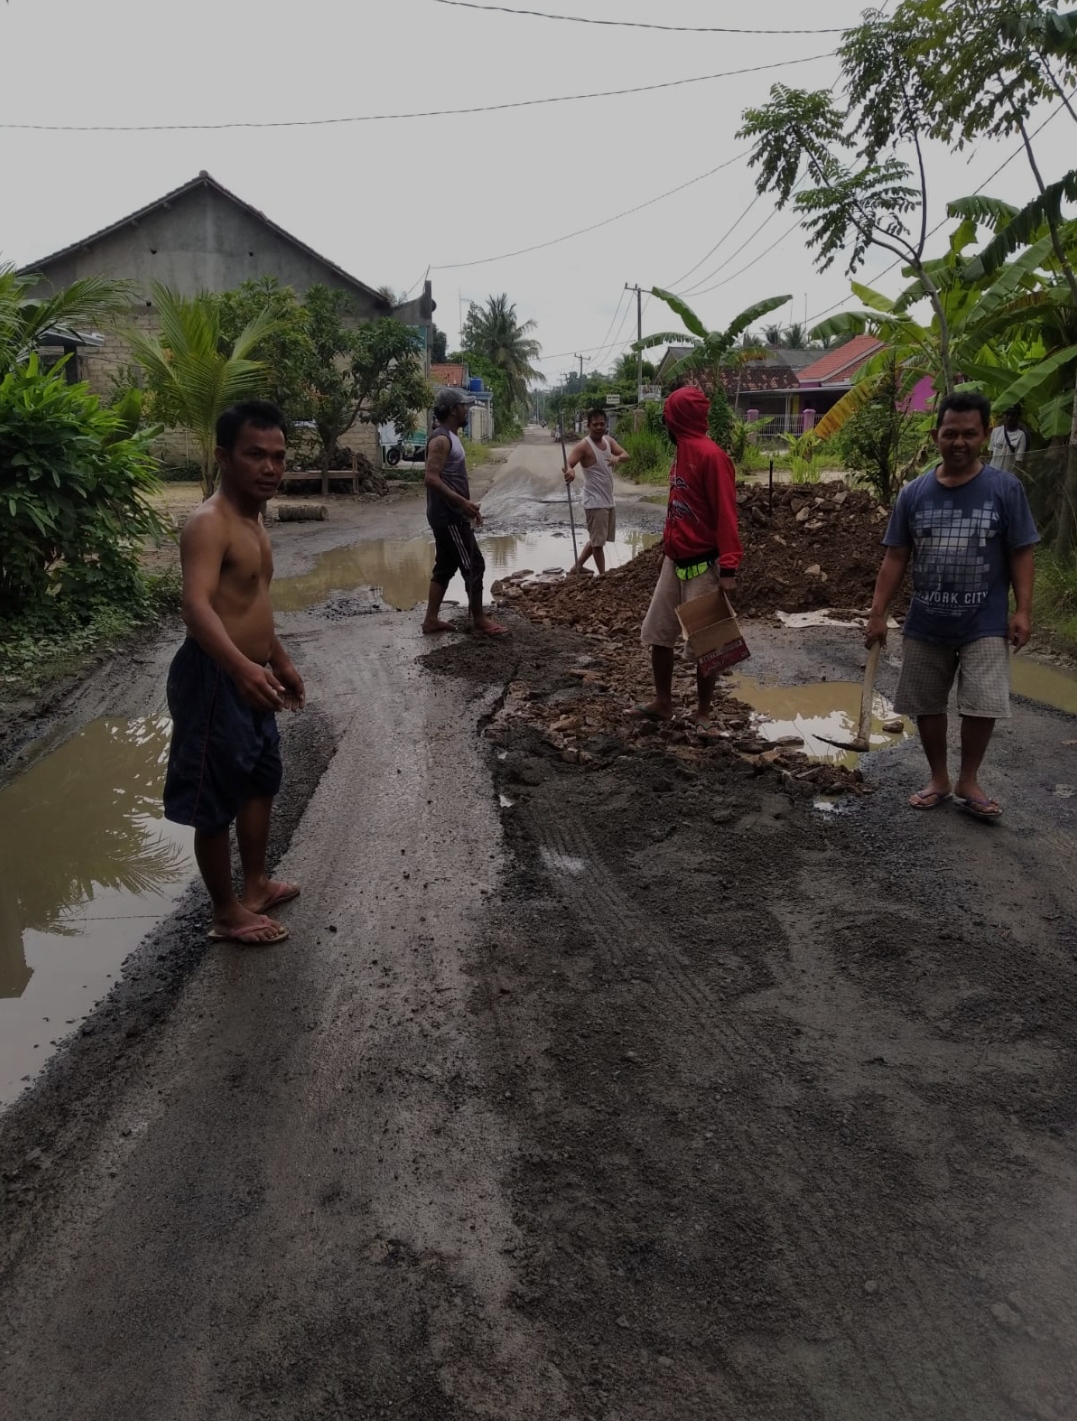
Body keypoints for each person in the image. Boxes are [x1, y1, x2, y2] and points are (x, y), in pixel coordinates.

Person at [163, 401, 305, 946]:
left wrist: (280, 660)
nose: (269, 467)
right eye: (255, 455)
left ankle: (257, 885)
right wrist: (241, 666)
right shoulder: (209, 523)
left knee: (259, 781)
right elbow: (196, 607)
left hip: (252, 675)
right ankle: (225, 912)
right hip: (214, 677)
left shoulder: (254, 519)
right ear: (224, 456)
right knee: (214, 799)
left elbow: (252, 602)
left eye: (277, 457)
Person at [865, 390, 1038, 821]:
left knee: (982, 702)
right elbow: (895, 556)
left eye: (969, 434)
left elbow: (1021, 552)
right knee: (927, 702)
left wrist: (1023, 610)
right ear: (936, 435)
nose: (958, 442)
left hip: (985, 620)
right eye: (950, 433)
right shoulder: (914, 493)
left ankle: (969, 779)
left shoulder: (1005, 489)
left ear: (984, 435)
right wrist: (877, 613)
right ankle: (939, 778)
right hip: (927, 621)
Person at [636, 385, 743, 726]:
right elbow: (678, 508)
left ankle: (703, 712)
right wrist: (667, 548)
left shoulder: (712, 457)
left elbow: (726, 514)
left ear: (676, 419)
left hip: (704, 564)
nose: (665, 424)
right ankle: (663, 702)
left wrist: (728, 567)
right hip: (675, 561)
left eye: (667, 417)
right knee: (658, 632)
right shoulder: (682, 451)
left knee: (709, 642)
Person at [422, 386, 507, 637]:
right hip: (449, 516)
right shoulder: (441, 439)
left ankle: (431, 620)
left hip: (451, 513)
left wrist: (468, 508)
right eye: (463, 407)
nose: (467, 411)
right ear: (453, 410)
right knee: (474, 564)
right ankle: (479, 620)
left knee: (445, 566)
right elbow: (431, 478)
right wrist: (461, 504)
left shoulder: (451, 437)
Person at [563, 407, 629, 575]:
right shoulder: (583, 446)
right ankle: (603, 575)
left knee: (597, 539)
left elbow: (626, 455)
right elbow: (568, 463)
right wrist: (570, 471)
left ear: (606, 425)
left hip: (608, 499)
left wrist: (618, 457)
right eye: (595, 425)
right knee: (598, 543)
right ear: (588, 426)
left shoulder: (608, 441)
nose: (599, 427)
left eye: (602, 424)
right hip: (594, 501)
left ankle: (577, 566)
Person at [988, 405, 1030, 474]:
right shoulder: (996, 431)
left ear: (1018, 416)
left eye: (1013, 415)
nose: (1010, 418)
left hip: (1007, 475)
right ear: (1003, 415)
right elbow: (991, 453)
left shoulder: (1021, 435)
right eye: (1007, 414)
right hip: (992, 473)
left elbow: (1018, 461)